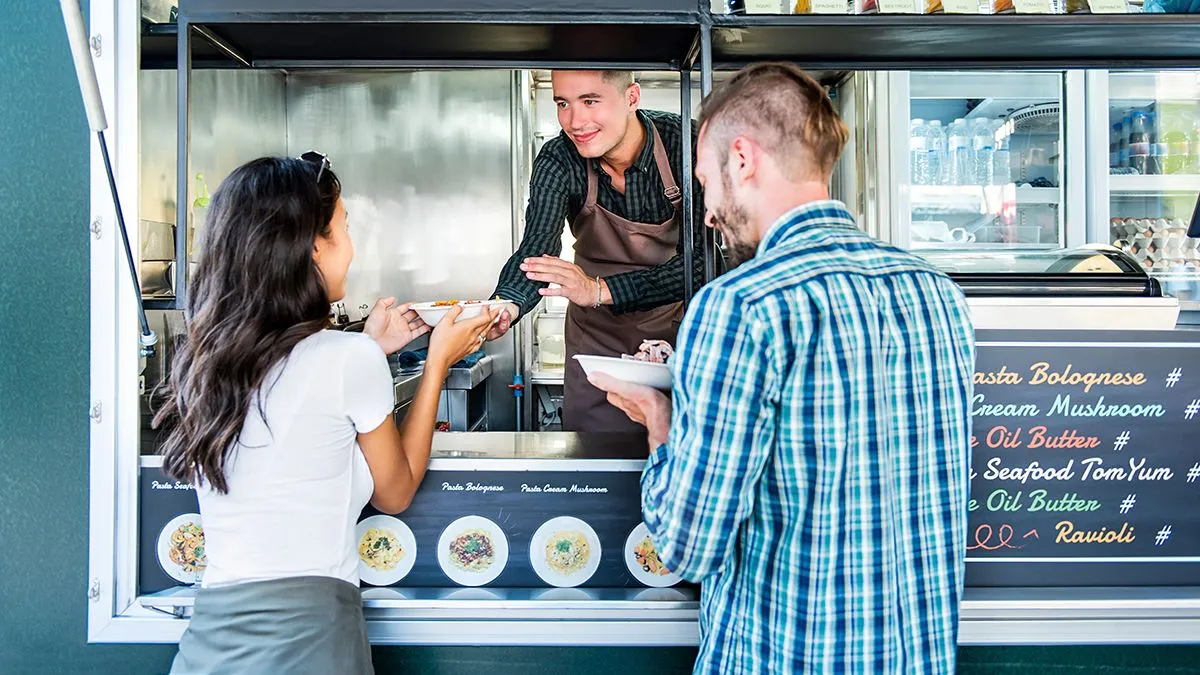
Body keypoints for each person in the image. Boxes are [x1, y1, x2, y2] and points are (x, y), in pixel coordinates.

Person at [590, 63, 976, 673]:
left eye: (706, 183)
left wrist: (661, 419)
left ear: (741, 158)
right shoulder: (939, 294)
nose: (709, 211)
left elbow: (687, 546)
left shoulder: (741, 306)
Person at [153, 153, 496, 675]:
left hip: (209, 647)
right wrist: (437, 364)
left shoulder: (205, 364)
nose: (352, 248)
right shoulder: (345, 359)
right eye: (345, 229)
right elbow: (395, 492)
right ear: (314, 247)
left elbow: (300, 399)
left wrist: (368, 346)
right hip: (311, 645)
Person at [485, 70, 708, 433]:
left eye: (590, 101)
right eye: (563, 104)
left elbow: (705, 263)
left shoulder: (688, 143)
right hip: (595, 346)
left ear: (632, 98)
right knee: (593, 462)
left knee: (679, 448)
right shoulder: (559, 158)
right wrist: (505, 306)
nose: (575, 122)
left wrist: (599, 290)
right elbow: (537, 247)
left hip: (678, 340)